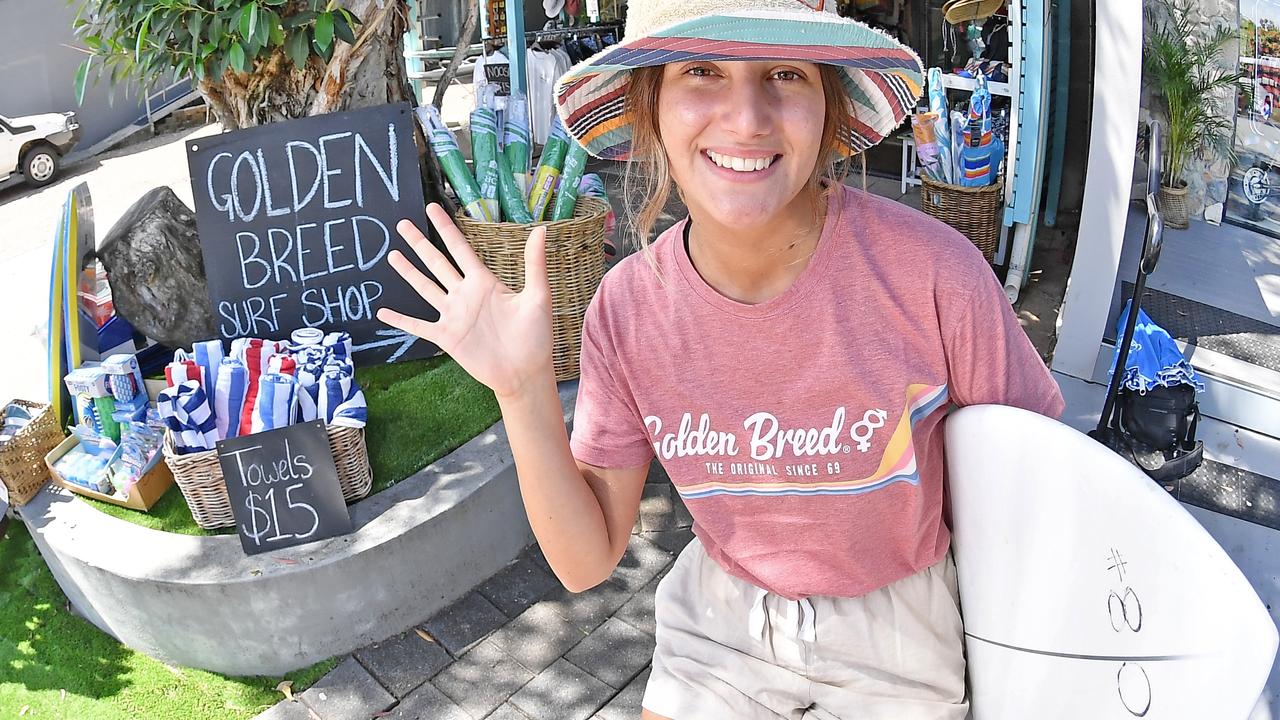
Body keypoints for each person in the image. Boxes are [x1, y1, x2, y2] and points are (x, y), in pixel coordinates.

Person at [379, 1, 1065, 717]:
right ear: (651, 105)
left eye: (785, 74)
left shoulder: (934, 275)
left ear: (828, 106)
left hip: (897, 633)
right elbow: (585, 563)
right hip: (719, 626)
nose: (746, 119)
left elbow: (1042, 492)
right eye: (702, 70)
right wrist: (523, 392)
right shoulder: (627, 309)